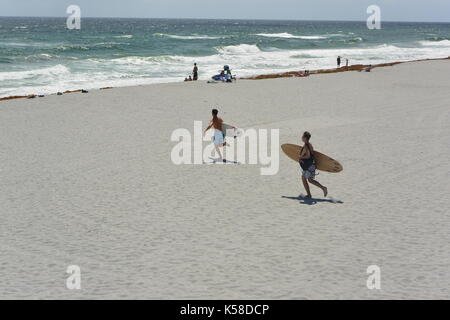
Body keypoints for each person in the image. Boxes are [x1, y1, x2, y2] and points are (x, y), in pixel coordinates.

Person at [299, 131, 328, 198]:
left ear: (305, 138)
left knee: (304, 178)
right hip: (312, 165)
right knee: (310, 180)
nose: (301, 137)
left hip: (308, 166)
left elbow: (308, 156)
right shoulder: (310, 144)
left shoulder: (306, 146)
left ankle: (309, 194)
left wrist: (301, 157)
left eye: (303, 136)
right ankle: (323, 188)